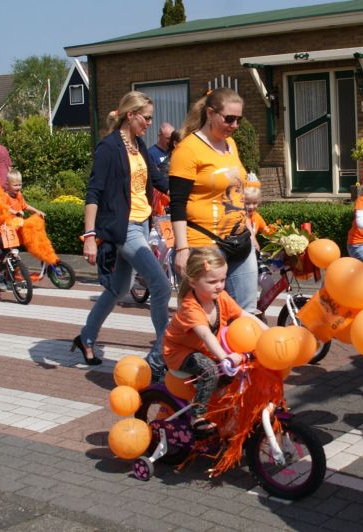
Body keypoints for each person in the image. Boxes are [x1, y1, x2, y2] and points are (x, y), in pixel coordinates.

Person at [79, 91, 169, 371]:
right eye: (147, 117)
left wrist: (192, 189)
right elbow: (93, 192)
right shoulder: (108, 147)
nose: (150, 123)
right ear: (130, 115)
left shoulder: (139, 145)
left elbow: (159, 181)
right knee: (161, 285)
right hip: (124, 227)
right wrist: (90, 236)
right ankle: (164, 351)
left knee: (119, 289)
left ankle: (86, 337)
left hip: (143, 223)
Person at [162, 247, 268, 437]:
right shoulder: (190, 307)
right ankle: (198, 416)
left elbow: (244, 314)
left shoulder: (221, 297)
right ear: (193, 281)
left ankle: (216, 406)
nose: (219, 286)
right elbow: (205, 335)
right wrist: (225, 357)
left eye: (222, 279)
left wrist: (268, 332)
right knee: (211, 370)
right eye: (212, 281)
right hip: (179, 352)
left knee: (232, 374)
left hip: (204, 349)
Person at [168, 88, 257, 313]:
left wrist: (249, 229)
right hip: (205, 242)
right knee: (206, 313)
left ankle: (238, 349)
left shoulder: (231, 146)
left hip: (239, 239)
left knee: (246, 310)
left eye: (239, 119)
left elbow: (236, 192)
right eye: (229, 119)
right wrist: (182, 248)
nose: (235, 125)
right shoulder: (188, 149)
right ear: (210, 113)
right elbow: (177, 203)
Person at [244, 185, 266, 252]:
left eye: (254, 203)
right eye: (247, 203)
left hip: (251, 250)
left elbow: (266, 230)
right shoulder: (237, 217)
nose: (251, 206)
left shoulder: (257, 217)